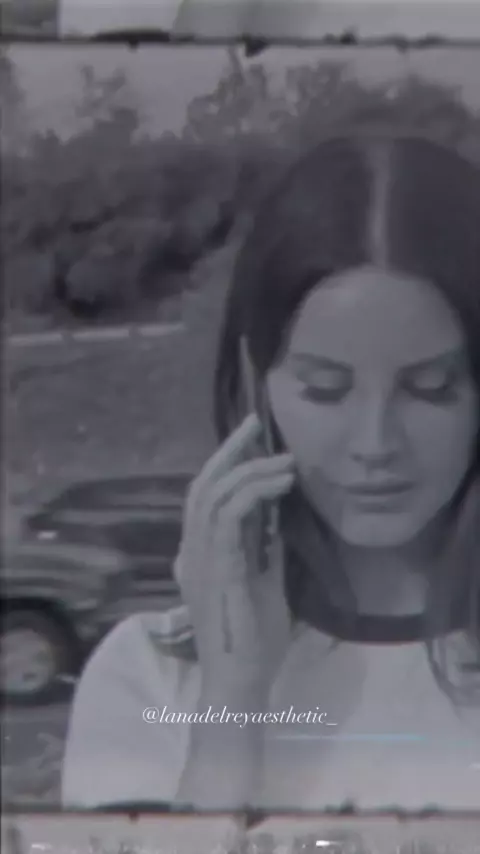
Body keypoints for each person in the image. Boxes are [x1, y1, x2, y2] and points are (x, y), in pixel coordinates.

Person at [61, 131, 480, 814]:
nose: (375, 443)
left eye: (430, 389)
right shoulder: (149, 675)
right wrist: (232, 700)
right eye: (324, 390)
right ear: (258, 380)